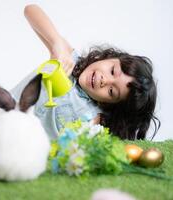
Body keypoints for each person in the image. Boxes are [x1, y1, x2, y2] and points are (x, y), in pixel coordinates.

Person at [10, 4, 160, 140]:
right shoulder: (69, 61)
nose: (105, 80)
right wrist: (57, 42)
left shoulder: (93, 119)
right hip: (0, 116)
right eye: (112, 71)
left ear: (107, 104)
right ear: (111, 57)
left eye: (111, 91)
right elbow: (30, 10)